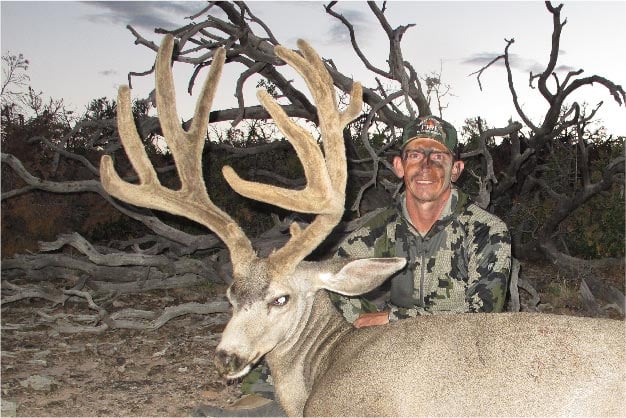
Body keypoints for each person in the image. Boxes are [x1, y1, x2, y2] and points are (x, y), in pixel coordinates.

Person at [331, 115, 511, 327]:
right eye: (415, 155)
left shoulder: (486, 231)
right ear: (399, 166)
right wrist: (367, 325)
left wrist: (393, 318)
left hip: (461, 342)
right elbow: (334, 279)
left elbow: (483, 316)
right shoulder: (379, 230)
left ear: (455, 170)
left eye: (438, 157)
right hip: (394, 339)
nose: (425, 166)